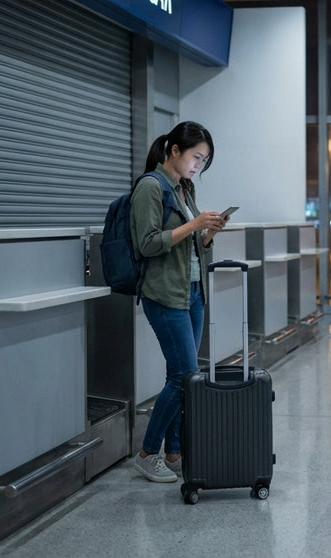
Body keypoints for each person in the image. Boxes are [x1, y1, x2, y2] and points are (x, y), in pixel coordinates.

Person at [130, 121, 228, 483]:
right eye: (196, 157)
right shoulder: (150, 187)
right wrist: (193, 225)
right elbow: (148, 243)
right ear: (174, 150)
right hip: (164, 294)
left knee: (186, 377)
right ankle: (146, 453)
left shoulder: (184, 189)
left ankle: (174, 452)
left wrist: (206, 235)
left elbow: (189, 248)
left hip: (192, 292)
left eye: (203, 161)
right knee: (184, 375)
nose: (197, 166)